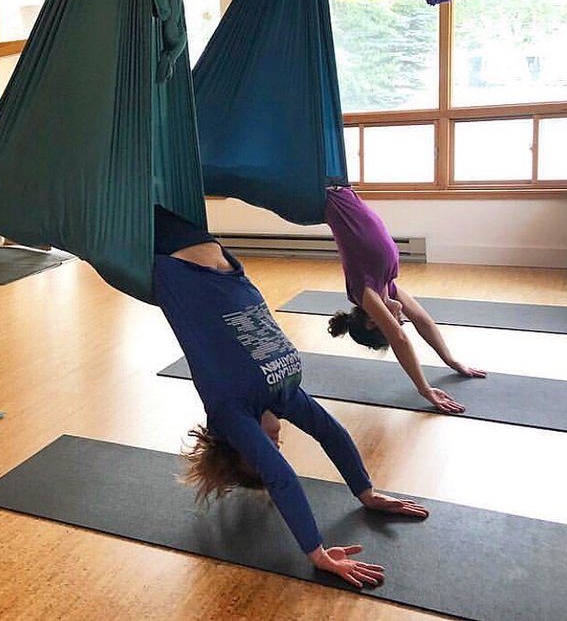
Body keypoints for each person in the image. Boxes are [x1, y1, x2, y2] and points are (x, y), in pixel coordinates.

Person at [153, 205, 429, 588]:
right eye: (276, 447)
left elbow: (280, 478)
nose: (277, 442)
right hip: (217, 259)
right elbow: (332, 434)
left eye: (265, 446)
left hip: (174, 261)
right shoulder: (285, 396)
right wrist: (364, 492)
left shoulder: (229, 411)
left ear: (238, 444)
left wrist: (316, 552)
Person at [323, 186, 486, 414]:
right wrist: (451, 361)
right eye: (400, 321)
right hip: (339, 193)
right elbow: (423, 320)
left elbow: (399, 339)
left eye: (396, 321)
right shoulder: (386, 287)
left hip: (330, 194)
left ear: (372, 321)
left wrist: (424, 389)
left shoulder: (365, 292)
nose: (401, 320)